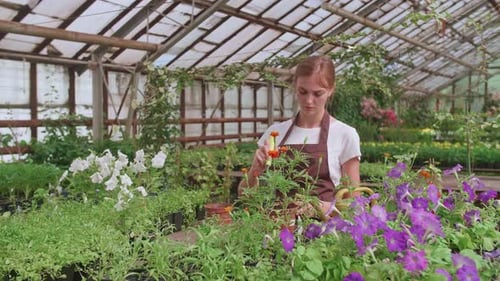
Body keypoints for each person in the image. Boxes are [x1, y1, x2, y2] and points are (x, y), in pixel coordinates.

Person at [238, 55, 361, 216]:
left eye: (318, 94)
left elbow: (354, 204)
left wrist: (325, 208)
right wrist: (256, 168)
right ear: (294, 86)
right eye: (303, 92)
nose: (309, 101)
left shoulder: (344, 134)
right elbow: (243, 196)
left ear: (331, 90)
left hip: (323, 234)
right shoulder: (275, 133)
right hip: (277, 231)